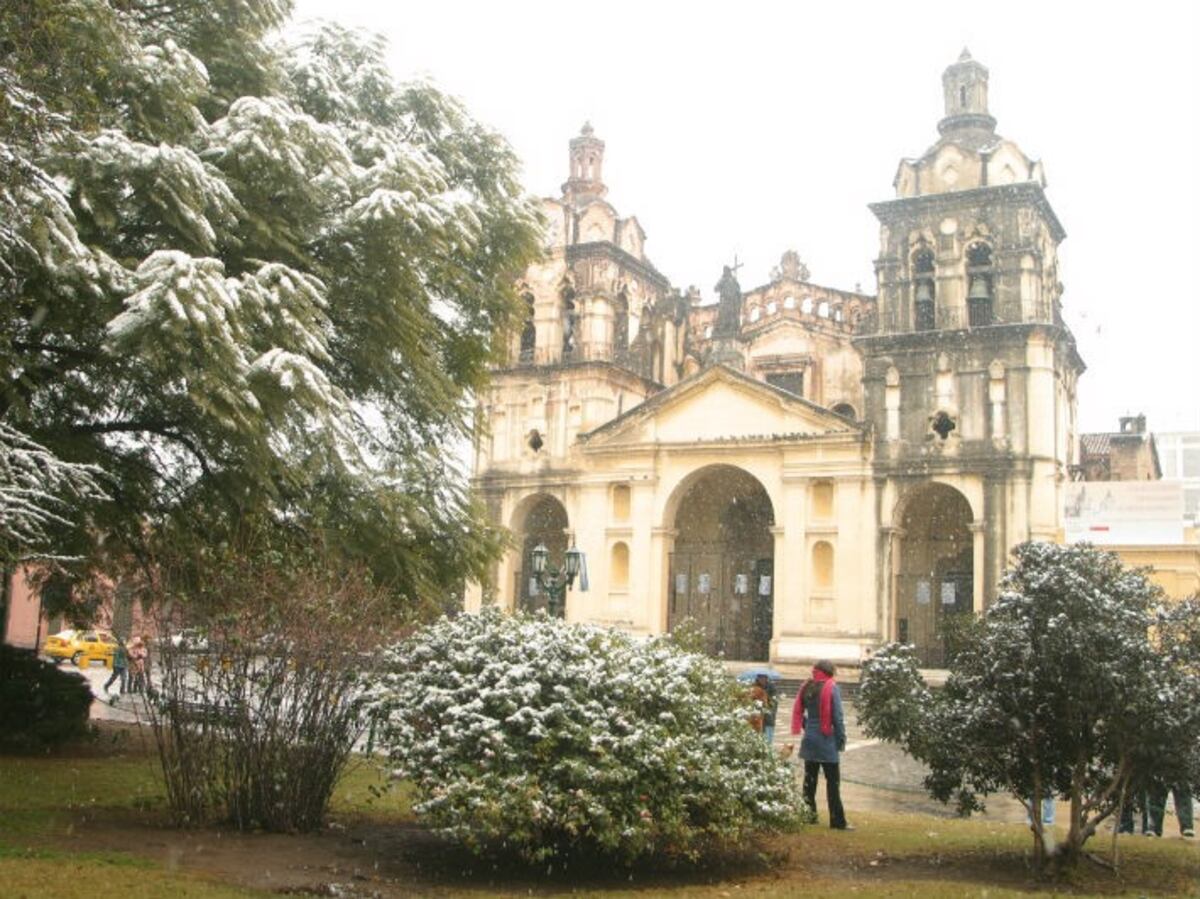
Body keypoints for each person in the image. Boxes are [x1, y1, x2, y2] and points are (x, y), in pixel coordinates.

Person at [791, 659, 852, 830]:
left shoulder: (807, 687)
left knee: (809, 782)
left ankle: (809, 815)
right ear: (830, 672)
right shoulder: (831, 687)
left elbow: (800, 712)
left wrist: (808, 727)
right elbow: (838, 718)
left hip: (810, 740)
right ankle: (837, 820)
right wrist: (841, 738)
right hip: (826, 740)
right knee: (833, 783)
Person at [758, 674, 779, 746]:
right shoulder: (755, 687)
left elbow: (774, 702)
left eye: (763, 678)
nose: (762, 680)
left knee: (768, 741)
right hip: (757, 718)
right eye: (760, 678)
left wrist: (766, 700)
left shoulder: (772, 688)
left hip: (769, 718)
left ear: (766, 678)